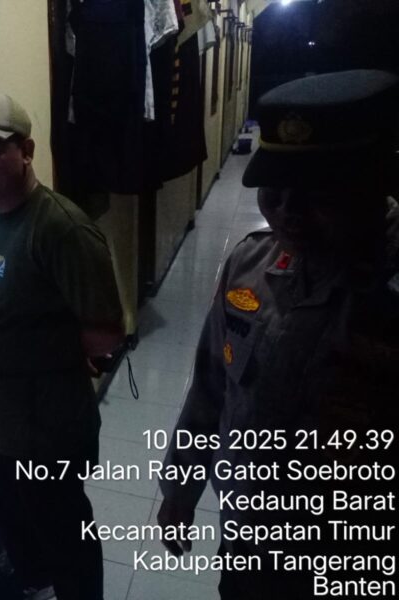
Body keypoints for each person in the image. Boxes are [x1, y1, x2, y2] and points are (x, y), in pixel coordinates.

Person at [158, 70, 399, 598]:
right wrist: (180, 487)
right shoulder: (251, 265)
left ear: (375, 181)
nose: (288, 211)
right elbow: (211, 387)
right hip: (248, 541)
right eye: (274, 189)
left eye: (317, 194)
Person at [0, 93, 125, 600]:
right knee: (19, 530)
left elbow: (107, 332)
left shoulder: (62, 228)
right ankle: (34, 586)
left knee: (66, 537)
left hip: (47, 432)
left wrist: (33, 349)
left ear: (26, 151)